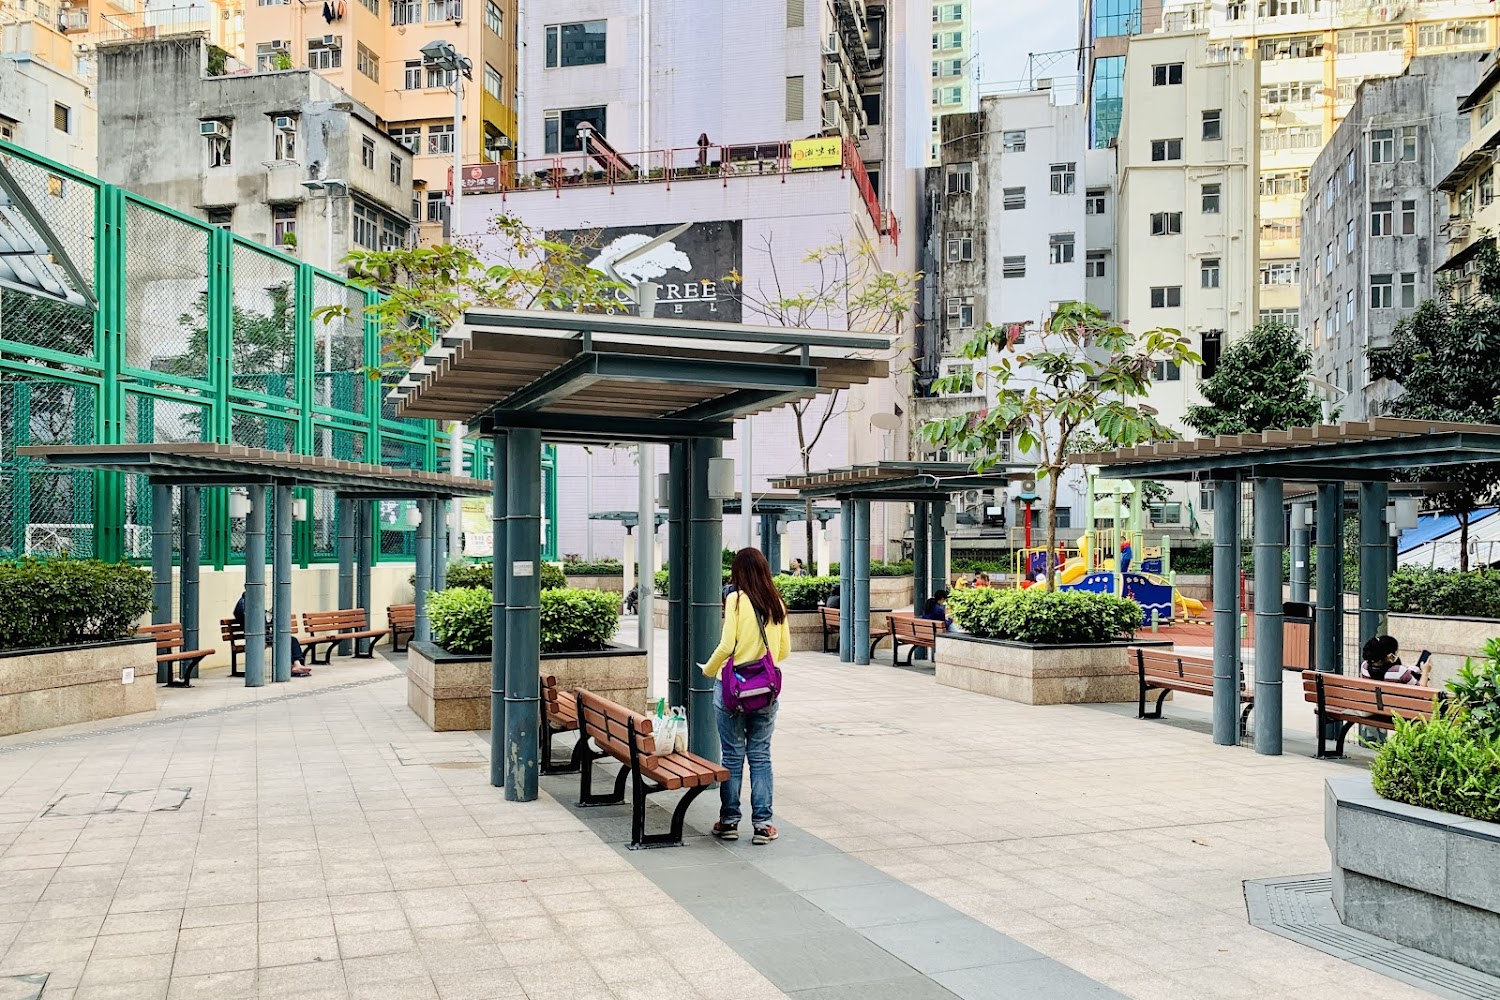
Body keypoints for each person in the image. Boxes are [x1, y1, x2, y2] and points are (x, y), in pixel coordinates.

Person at [702, 548, 792, 845]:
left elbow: (727, 645)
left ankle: (729, 821)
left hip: (731, 689)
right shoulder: (776, 602)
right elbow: (783, 652)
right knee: (760, 756)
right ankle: (763, 825)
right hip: (764, 691)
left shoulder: (735, 599)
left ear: (738, 571)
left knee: (731, 755)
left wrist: (710, 669)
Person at [234, 592, 310, 677]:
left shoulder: (251, 603)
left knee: (290, 639)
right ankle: (293, 666)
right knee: (285, 640)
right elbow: (249, 622)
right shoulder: (244, 605)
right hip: (256, 636)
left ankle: (296, 665)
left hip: (263, 634)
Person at [1359, 635, 1426, 685]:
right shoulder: (1400, 672)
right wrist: (1426, 671)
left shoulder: (1364, 667)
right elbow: (1421, 692)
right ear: (1389, 656)